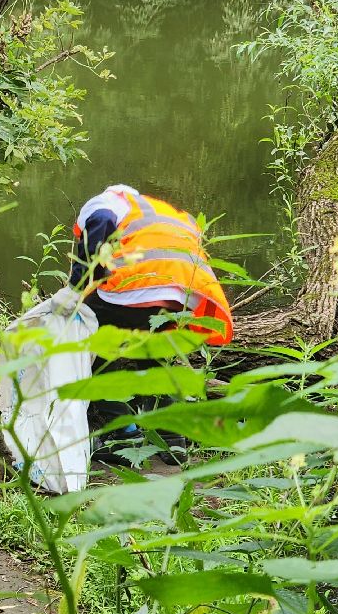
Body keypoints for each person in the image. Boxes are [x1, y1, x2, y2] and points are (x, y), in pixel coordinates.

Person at [63, 183, 234, 450]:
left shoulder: (105, 202)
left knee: (92, 348)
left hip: (140, 286)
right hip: (186, 293)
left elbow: (101, 222)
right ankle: (170, 434)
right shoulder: (160, 210)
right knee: (151, 353)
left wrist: (76, 286)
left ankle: (122, 433)